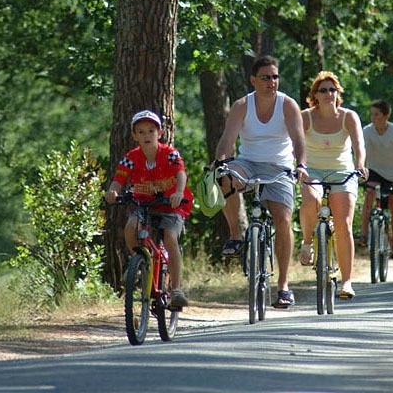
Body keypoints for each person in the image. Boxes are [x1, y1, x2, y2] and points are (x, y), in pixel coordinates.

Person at [211, 55, 308, 309]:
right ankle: (235, 234)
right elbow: (227, 139)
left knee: (283, 220)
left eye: (275, 77)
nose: (271, 82)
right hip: (248, 162)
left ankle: (284, 286)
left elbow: (299, 142)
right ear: (253, 80)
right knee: (224, 178)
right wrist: (221, 160)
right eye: (265, 77)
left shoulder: (288, 105)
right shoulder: (242, 105)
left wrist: (301, 165)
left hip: (280, 166)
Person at [105, 110, 193, 309]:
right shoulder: (131, 157)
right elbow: (118, 179)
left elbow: (181, 173)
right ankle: (138, 261)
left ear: (160, 133)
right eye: (141, 132)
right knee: (131, 227)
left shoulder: (170, 154)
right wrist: (112, 192)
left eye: (151, 131)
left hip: (171, 204)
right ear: (134, 135)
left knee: (170, 237)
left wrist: (178, 192)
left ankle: (177, 290)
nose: (147, 136)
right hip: (143, 202)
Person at [297, 71, 367, 300]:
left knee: (344, 224)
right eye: (323, 90)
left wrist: (360, 166)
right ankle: (307, 243)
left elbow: (359, 145)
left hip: (343, 172)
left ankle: (346, 282)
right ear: (315, 95)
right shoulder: (305, 117)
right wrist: (298, 166)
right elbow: (294, 145)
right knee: (309, 199)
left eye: (332, 90)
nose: (328, 94)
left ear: (338, 93)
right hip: (313, 171)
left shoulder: (349, 117)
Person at [359, 100, 393, 259]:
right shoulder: (367, 131)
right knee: (370, 194)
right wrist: (359, 170)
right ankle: (364, 235)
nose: (373, 118)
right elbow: (362, 151)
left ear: (386, 116)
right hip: (374, 170)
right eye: (372, 114)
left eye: (377, 115)